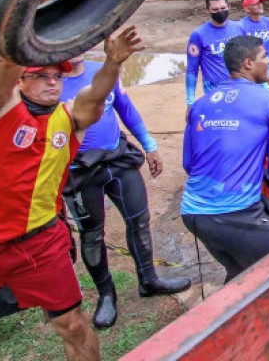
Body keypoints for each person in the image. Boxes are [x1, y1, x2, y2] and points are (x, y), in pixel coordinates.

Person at [0, 27, 144, 361]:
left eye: (57, 76)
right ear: (20, 81)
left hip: (40, 243)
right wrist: (35, 16)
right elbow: (2, 66)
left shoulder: (67, 119)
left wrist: (112, 63)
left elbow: (94, 97)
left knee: (74, 326)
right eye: (41, 75)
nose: (53, 81)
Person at [60, 53, 191, 329]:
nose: (78, 49)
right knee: (92, 235)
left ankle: (149, 280)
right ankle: (106, 295)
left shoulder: (103, 72)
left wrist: (150, 145)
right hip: (80, 169)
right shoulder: (51, 82)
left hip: (118, 160)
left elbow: (126, 108)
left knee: (139, 222)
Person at [181, 36, 269, 283]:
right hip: (237, 212)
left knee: (240, 271)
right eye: (264, 56)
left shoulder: (200, 104)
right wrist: (260, 178)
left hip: (193, 214)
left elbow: (188, 164)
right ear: (248, 63)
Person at [186, 0, 244, 107]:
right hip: (215, 94)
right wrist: (190, 101)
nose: (220, 12)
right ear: (207, 10)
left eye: (223, 8)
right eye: (215, 9)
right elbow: (192, 70)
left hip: (240, 90)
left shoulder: (239, 28)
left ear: (229, 6)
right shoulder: (198, 34)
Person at [239, 0, 269, 92]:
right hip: (252, 68)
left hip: (268, 64)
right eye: (255, 4)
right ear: (247, 9)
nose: (260, 5)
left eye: (260, 2)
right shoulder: (241, 25)